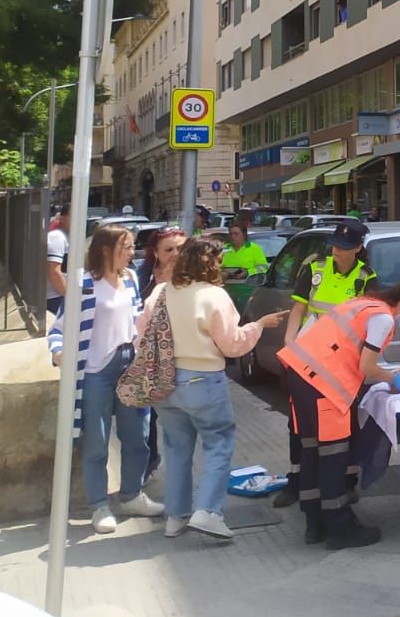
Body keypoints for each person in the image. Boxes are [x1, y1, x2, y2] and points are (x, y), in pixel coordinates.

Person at [278, 274, 400, 547]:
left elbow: (355, 358)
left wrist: (389, 375)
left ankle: (314, 525)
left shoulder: (362, 304)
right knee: (333, 457)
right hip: (324, 386)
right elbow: (366, 368)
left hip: (300, 376)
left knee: (311, 452)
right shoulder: (383, 318)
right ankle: (339, 528)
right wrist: (393, 378)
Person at [156, 237, 287, 540]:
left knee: (176, 449)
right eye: (218, 261)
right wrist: (258, 326)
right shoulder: (215, 296)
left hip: (165, 380)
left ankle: (175, 517)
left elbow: (142, 332)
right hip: (203, 379)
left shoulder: (163, 292)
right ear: (210, 263)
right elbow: (232, 345)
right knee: (218, 444)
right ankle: (208, 512)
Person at [47, 223, 163, 534]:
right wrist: (59, 353)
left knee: (137, 436)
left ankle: (131, 494)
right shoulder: (84, 284)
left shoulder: (131, 279)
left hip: (130, 366)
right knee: (97, 442)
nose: (131, 253)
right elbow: (58, 330)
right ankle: (99, 505)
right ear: (105, 250)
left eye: (131, 246)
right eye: (126, 247)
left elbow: (138, 320)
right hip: (96, 372)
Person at [273, 221, 377, 508]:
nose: (337, 251)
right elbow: (299, 308)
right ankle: (296, 482)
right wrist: (288, 344)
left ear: (358, 248)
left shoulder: (366, 278)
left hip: (342, 363)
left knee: (344, 424)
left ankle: (346, 481)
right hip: (308, 357)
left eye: (344, 248)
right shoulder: (315, 269)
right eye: (335, 245)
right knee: (299, 424)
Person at [135, 226, 184, 475]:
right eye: (169, 249)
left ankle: (179, 467)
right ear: (155, 252)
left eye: (181, 248)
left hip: (185, 357)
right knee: (149, 415)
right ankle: (150, 459)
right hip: (151, 356)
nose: (176, 253)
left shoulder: (195, 276)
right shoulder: (142, 276)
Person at [45, 208, 70, 319]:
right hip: (56, 298)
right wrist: (69, 296)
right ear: (62, 218)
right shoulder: (57, 237)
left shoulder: (66, 236)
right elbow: (54, 272)